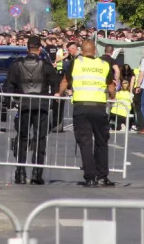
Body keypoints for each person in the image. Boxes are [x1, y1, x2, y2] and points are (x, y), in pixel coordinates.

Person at [57, 40, 115, 188]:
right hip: (99, 107)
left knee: (85, 143)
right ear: (95, 51)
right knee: (101, 143)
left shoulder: (76, 63)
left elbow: (65, 81)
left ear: (81, 51)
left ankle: (90, 178)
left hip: (81, 107)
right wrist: (113, 98)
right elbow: (111, 86)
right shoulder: (104, 64)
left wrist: (59, 93)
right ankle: (102, 177)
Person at [3, 36, 57, 185]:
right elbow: (56, 84)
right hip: (42, 106)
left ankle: (20, 174)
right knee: (40, 139)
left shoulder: (16, 65)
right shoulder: (46, 65)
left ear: (27, 48)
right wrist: (53, 98)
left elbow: (9, 85)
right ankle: (36, 175)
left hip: (24, 106)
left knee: (22, 138)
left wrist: (9, 101)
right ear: (40, 48)